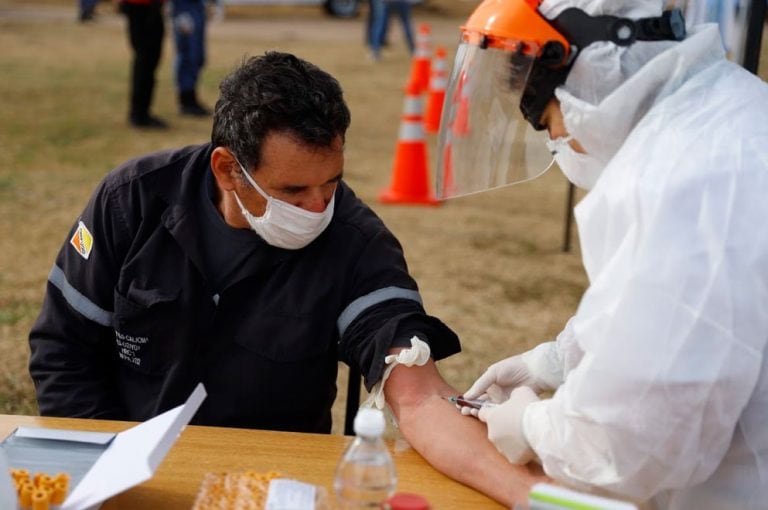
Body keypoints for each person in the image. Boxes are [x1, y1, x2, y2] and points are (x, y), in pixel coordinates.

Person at [28, 51, 547, 506]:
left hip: (278, 482)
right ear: (229, 169)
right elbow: (63, 351)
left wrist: (535, 498)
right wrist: (114, 474)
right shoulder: (132, 202)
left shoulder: (355, 243)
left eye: (332, 183)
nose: (318, 207)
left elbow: (416, 395)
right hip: (130, 479)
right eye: (294, 190)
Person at [436, 0, 768, 508]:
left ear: (586, 73)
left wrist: (533, 427)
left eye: (549, 119)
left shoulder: (694, 183)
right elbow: (661, 312)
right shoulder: (720, 118)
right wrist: (557, 361)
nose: (559, 139)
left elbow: (635, 442)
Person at [119, 0, 168, 129]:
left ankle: (142, 111)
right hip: (141, 6)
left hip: (147, 6)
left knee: (149, 60)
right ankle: (139, 114)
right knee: (145, 60)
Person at [170, 0, 213, 116]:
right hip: (183, 7)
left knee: (197, 55)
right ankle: (186, 99)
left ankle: (191, 97)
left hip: (196, 6)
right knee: (188, 54)